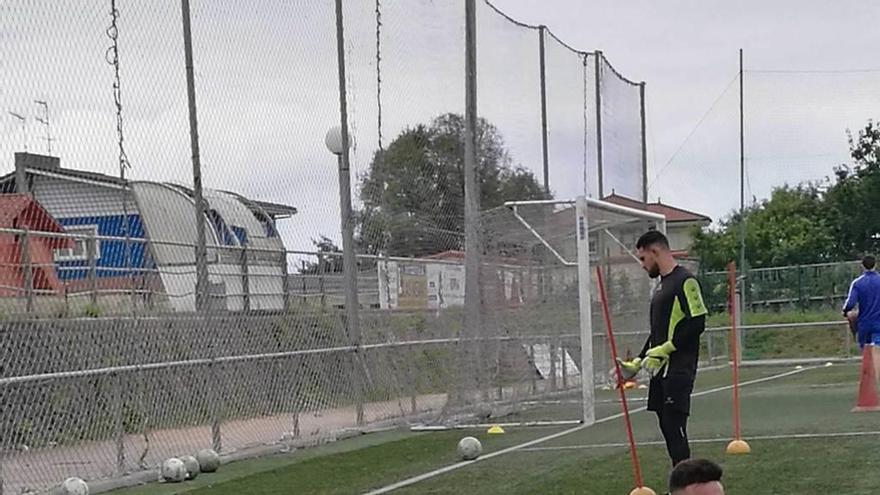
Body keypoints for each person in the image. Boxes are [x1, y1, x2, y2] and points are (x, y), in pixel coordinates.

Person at [618, 230, 707, 467]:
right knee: (667, 426)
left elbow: (698, 323)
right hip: (661, 371)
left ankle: (685, 487)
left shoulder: (685, 281)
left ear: (655, 252)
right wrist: (637, 362)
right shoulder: (662, 287)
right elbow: (659, 331)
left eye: (643, 259)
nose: (642, 265)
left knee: (674, 425)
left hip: (678, 370)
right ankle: (682, 484)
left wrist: (667, 349)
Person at [843, 255, 880, 349]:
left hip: (864, 322)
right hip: (878, 322)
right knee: (877, 351)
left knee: (866, 354)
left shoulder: (857, 283)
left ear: (862, 266)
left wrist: (845, 311)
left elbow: (850, 302)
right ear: (875, 265)